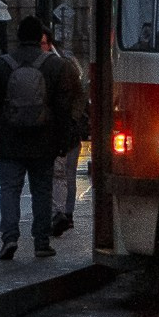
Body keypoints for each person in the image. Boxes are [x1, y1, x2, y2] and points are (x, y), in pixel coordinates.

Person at [0, 16, 74, 261]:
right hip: (43, 140)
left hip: (10, 140)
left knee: (9, 190)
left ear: (18, 36)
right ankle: (41, 241)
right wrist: (63, 140)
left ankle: (10, 237)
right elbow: (63, 107)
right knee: (42, 191)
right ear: (40, 38)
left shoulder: (3, 65)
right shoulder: (55, 65)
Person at [47, 42, 89, 239]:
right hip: (59, 130)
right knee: (60, 175)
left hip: (66, 131)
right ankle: (61, 213)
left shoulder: (64, 66)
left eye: (44, 43)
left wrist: (72, 118)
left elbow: (80, 96)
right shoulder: (63, 66)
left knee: (65, 174)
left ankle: (64, 213)